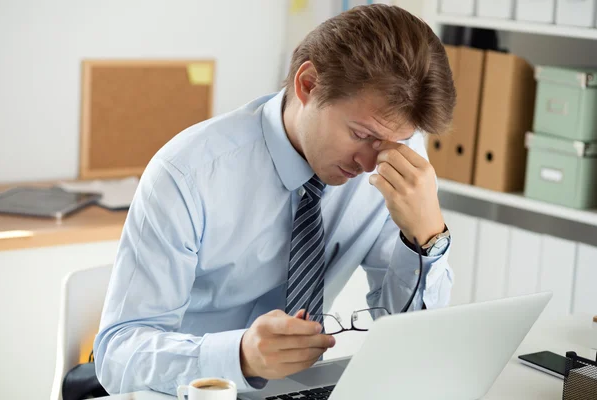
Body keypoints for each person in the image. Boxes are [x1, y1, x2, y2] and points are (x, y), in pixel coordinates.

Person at [94, 4, 456, 396]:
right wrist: (240, 355)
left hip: (302, 389)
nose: (371, 163)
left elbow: (405, 343)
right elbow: (118, 355)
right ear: (308, 84)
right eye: (360, 134)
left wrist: (426, 238)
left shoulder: (396, 161)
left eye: (394, 142)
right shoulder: (187, 175)